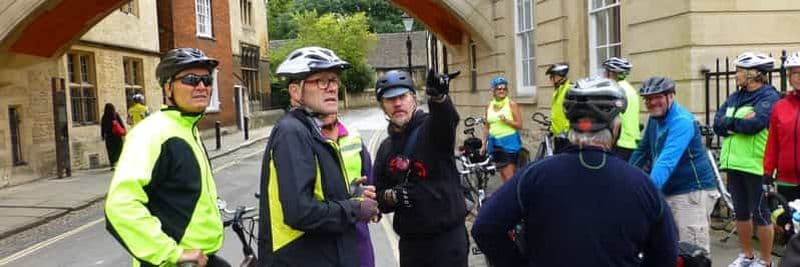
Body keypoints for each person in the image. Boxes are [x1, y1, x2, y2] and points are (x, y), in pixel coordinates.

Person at [471, 76, 678, 266]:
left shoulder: (534, 175)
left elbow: (485, 227)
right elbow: (667, 253)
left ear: (571, 126)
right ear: (617, 128)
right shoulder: (641, 184)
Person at [105, 48, 229, 267]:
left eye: (206, 80)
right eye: (191, 79)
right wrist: (170, 252)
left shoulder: (186, 128)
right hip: (174, 262)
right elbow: (121, 205)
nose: (202, 86)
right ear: (168, 87)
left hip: (201, 259)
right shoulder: (152, 133)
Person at [257, 46, 379, 267]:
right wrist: (354, 208)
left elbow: (319, 193)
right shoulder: (291, 132)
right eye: (321, 81)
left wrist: (352, 195)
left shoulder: (312, 132)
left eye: (334, 80)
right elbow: (300, 211)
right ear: (296, 92)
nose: (331, 88)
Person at [373, 69, 467, 266]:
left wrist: (439, 98)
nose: (397, 103)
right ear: (383, 106)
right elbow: (379, 197)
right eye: (390, 99)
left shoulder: (430, 129)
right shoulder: (385, 149)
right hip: (411, 245)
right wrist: (394, 196)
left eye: (402, 96)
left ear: (413, 99)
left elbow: (446, 122)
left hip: (447, 241)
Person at [629, 76, 718, 254]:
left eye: (658, 97)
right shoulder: (654, 120)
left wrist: (648, 193)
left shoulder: (682, 121)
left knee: (692, 253)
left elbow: (666, 162)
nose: (652, 102)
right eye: (648, 99)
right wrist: (623, 178)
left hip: (691, 193)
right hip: (669, 190)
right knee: (668, 249)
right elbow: (642, 152)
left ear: (671, 96)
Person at [289, 89, 378, 267]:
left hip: (357, 237)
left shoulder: (353, 138)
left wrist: (372, 203)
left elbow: (372, 184)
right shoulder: (302, 141)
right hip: (321, 241)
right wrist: (348, 197)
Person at [713, 52, 781, 267]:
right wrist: (737, 121)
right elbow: (717, 123)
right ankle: (747, 256)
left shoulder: (769, 97)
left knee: (761, 214)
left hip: (755, 164)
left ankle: (766, 261)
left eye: (740, 71)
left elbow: (755, 125)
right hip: (733, 163)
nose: (736, 75)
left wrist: (729, 122)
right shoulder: (735, 96)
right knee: (740, 213)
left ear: (753, 75)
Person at [764, 51, 800, 202]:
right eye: (794, 73)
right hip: (786, 180)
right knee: (788, 224)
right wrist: (767, 172)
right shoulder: (780, 106)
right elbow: (773, 143)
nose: (798, 77)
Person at [481, 76, 523, 182]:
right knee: (503, 176)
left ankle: (513, 197)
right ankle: (509, 197)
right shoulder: (489, 105)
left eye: (504, 89)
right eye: (499, 88)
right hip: (495, 144)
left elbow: (519, 125)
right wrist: (483, 145)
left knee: (509, 177)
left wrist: (507, 121)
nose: (502, 91)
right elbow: (487, 126)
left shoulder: (511, 105)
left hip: (509, 143)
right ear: (494, 91)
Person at [602, 57, 641, 161]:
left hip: (620, 143)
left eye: (605, 71)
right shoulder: (631, 89)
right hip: (633, 142)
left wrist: (610, 143)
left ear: (611, 73)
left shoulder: (615, 90)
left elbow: (616, 120)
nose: (603, 74)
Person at [546, 63, 572, 153]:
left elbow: (574, 113)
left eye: (551, 77)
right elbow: (558, 113)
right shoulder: (558, 91)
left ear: (559, 77)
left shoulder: (569, 90)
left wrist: (567, 131)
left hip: (568, 138)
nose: (550, 80)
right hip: (559, 137)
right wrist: (552, 129)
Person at [101, 103, 125, 170]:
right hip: (117, 135)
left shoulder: (104, 116)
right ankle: (118, 162)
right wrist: (123, 130)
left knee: (110, 151)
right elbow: (121, 123)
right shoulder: (115, 114)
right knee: (118, 149)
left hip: (109, 136)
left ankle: (112, 164)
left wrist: (102, 135)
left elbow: (102, 127)